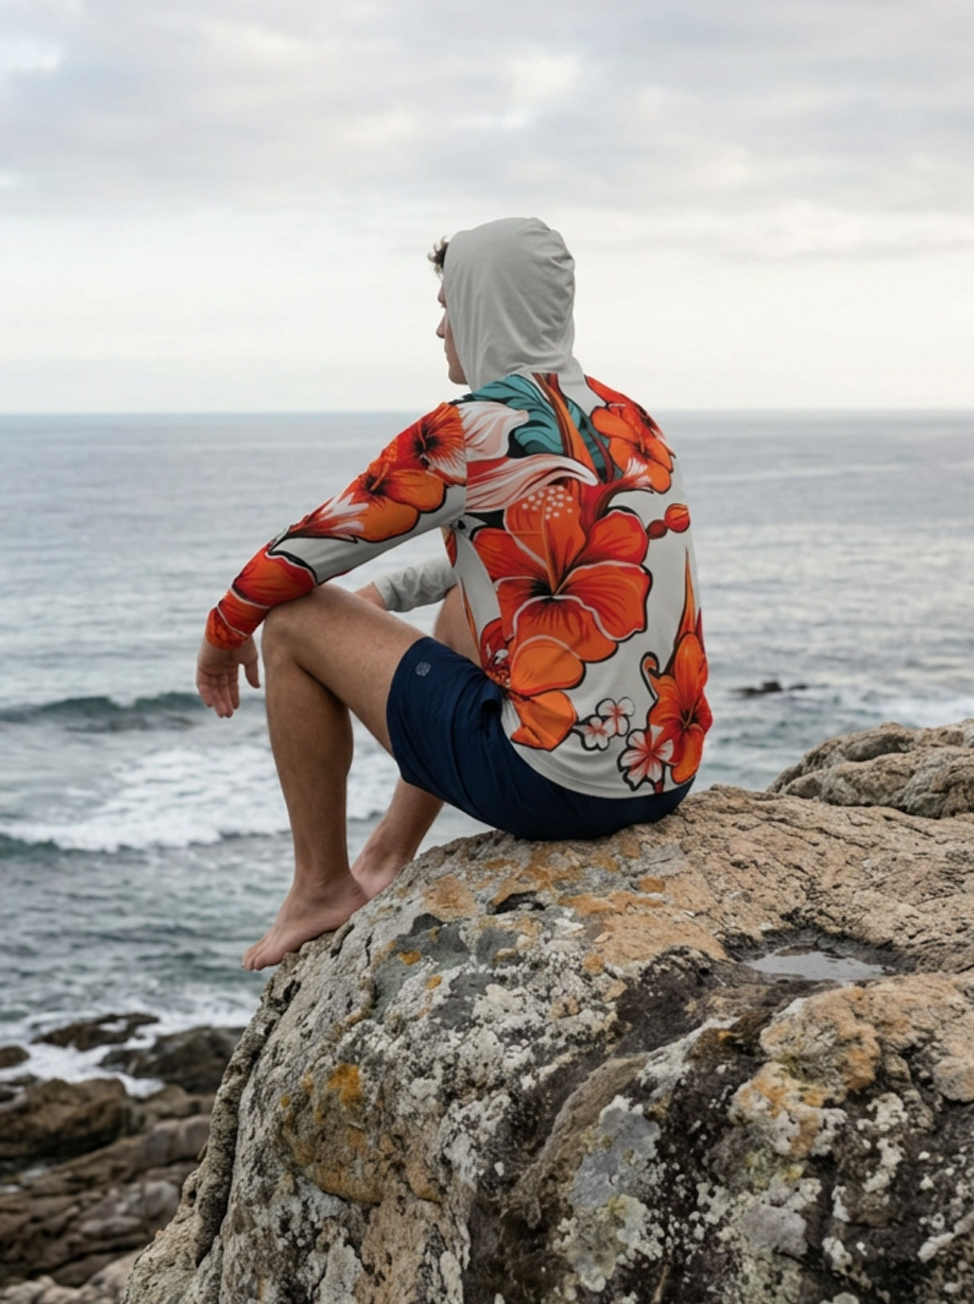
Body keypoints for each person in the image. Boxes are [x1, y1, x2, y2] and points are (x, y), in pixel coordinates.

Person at [196, 217, 711, 971]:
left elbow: (309, 549)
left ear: (484, 306)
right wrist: (382, 596)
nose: (440, 327)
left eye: (449, 303)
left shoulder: (470, 430)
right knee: (470, 608)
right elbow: (512, 555)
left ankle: (319, 886)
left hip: (552, 788)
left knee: (295, 619)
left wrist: (223, 627)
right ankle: (388, 852)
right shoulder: (633, 423)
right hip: (661, 776)